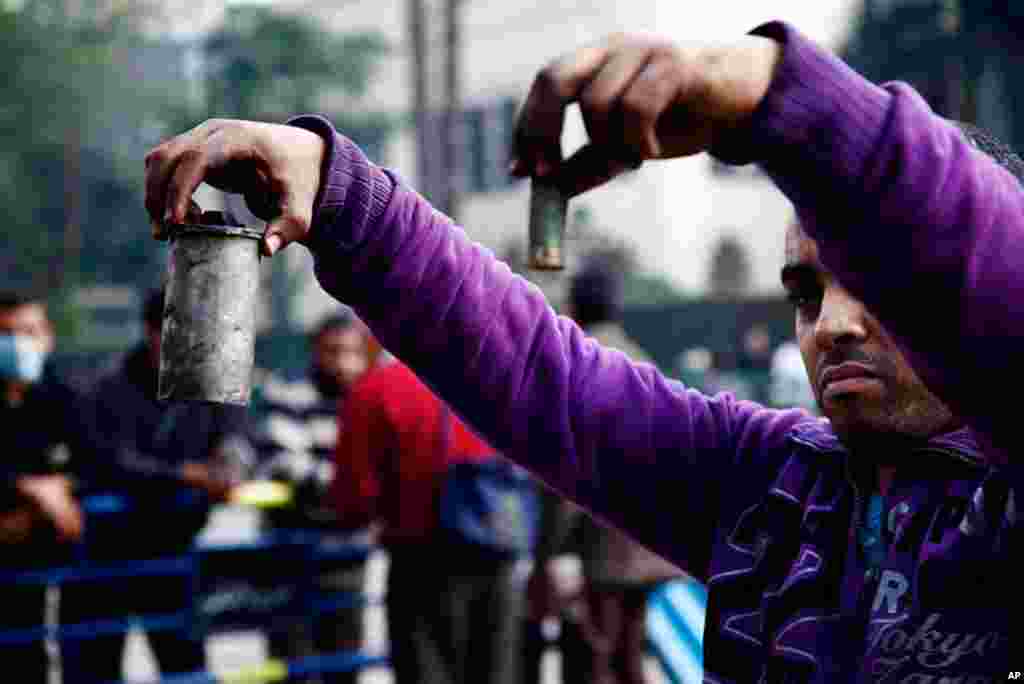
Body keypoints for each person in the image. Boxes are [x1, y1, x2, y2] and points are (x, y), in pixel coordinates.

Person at [143, 19, 1023, 681]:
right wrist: (343, 199)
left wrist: (785, 97)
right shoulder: (776, 485)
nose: (832, 325)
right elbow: (542, 376)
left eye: (877, 284)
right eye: (805, 292)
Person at [61, 288, 250, 683]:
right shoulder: (105, 386)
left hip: (175, 553)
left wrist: (231, 464)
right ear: (153, 331)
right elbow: (109, 460)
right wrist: (187, 475)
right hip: (103, 558)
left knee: (186, 669)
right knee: (94, 668)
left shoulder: (213, 381)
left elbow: (238, 436)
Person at [331, 336, 525, 684]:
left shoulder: (375, 389)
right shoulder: (498, 380)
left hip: (420, 561)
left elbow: (354, 498)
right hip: (497, 552)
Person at [527, 255, 683, 684]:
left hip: (599, 548)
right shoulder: (642, 359)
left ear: (575, 305)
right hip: (647, 543)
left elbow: (567, 472)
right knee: (628, 659)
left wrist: (550, 554)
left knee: (595, 661)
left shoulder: (577, 362)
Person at [248, 310, 370, 684]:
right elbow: (281, 463)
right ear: (315, 351)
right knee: (292, 666)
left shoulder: (369, 397)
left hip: (348, 556)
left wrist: (348, 485)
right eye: (333, 351)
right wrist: (348, 484)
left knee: (345, 666)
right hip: (290, 555)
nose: (343, 362)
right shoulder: (286, 392)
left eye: (352, 352)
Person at [0, 291, 85, 683]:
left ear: (48, 337)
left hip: (36, 572)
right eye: (7, 334)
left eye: (30, 332)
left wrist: (61, 486)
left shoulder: (64, 395)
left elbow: (99, 459)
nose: (19, 344)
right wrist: (30, 487)